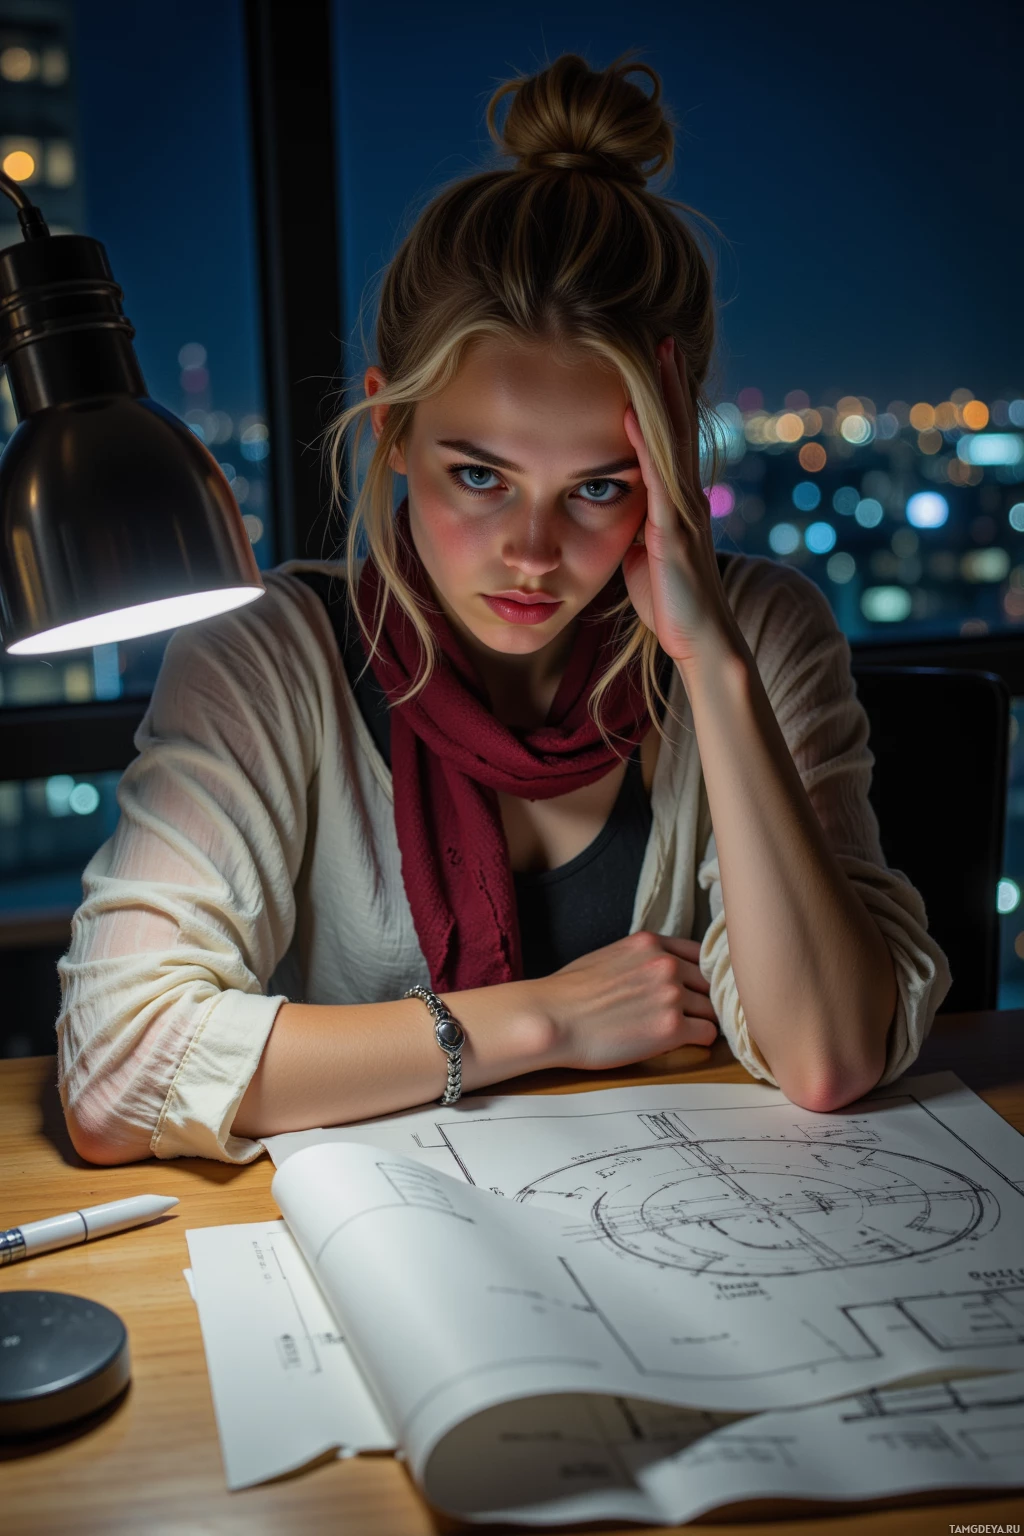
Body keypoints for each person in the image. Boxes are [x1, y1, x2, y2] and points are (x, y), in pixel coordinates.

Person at [57, 53, 950, 1166]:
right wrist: (543, 1021)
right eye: (479, 475)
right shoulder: (266, 659)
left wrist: (711, 664)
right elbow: (117, 1071)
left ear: (670, 471)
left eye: (598, 487)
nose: (531, 553)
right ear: (388, 427)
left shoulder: (756, 634)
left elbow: (826, 1057)